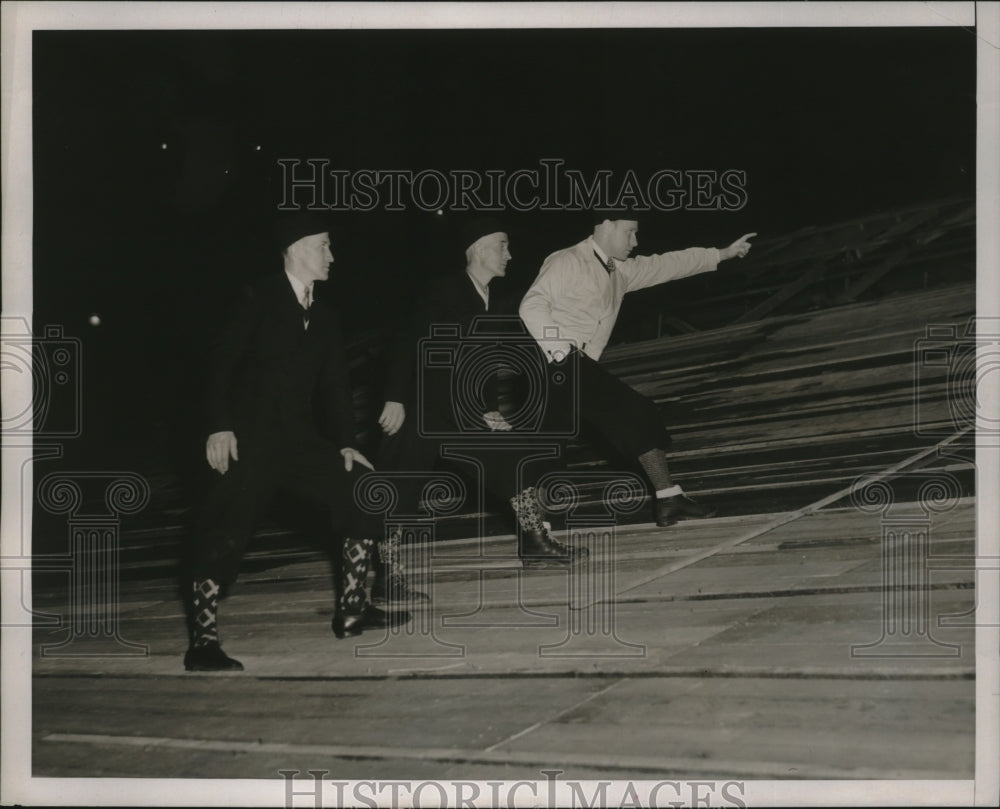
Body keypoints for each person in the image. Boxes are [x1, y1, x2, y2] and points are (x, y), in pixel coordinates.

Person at [184, 212, 409, 672]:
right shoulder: (257, 297)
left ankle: (351, 610)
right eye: (324, 245)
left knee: (361, 490)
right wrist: (219, 426)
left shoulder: (326, 315)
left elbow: (335, 388)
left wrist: (347, 443)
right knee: (225, 524)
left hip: (300, 441)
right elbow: (218, 364)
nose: (332, 255)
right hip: (248, 439)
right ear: (295, 249)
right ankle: (203, 641)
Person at [372, 217, 584, 604]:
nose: (510, 254)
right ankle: (387, 576)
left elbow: (481, 363)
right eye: (503, 245)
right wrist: (395, 398)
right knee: (398, 492)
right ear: (480, 249)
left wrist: (488, 409)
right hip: (422, 410)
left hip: (460, 414)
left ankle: (535, 542)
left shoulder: (490, 300)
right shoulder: (443, 291)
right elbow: (407, 344)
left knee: (514, 457)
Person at [519, 211, 756, 527]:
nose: (636, 241)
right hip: (554, 362)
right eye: (629, 232)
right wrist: (562, 352)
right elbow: (531, 306)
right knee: (635, 411)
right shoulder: (567, 260)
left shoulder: (618, 270)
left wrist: (720, 254)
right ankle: (668, 498)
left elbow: (664, 265)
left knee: (543, 447)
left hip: (568, 366)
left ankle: (534, 528)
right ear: (606, 226)